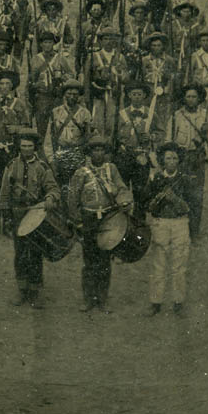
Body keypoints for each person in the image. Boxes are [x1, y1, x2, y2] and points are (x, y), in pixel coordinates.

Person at [68, 134, 133, 313]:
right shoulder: (81, 172)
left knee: (104, 260)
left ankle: (103, 299)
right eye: (94, 150)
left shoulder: (111, 169)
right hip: (88, 219)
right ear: (89, 152)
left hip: (107, 218)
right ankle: (88, 298)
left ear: (106, 152)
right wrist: (77, 222)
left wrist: (124, 200)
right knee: (89, 260)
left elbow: (121, 188)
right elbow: (72, 198)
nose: (98, 153)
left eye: (101, 150)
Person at [1, 128, 60, 308]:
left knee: (35, 253)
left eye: (30, 146)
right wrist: (6, 216)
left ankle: (34, 291)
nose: (26, 149)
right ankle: (22, 290)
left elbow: (53, 188)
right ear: (19, 147)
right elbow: (4, 193)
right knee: (20, 253)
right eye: (23, 146)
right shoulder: (11, 166)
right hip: (17, 213)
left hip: (35, 215)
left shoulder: (42, 167)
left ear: (35, 148)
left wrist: (50, 198)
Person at [144, 142, 196, 317]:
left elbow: (192, 206)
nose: (172, 161)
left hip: (180, 223)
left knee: (179, 264)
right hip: (161, 223)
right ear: (162, 161)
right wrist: (156, 200)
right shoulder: (155, 179)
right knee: (158, 264)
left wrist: (175, 200)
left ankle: (178, 302)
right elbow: (148, 204)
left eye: (175, 158)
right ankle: (156, 302)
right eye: (168, 158)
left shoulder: (186, 180)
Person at [0, 69, 30, 237]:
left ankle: (9, 226)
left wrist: (16, 129)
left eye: (7, 84)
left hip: (11, 150)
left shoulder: (19, 104)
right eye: (1, 83)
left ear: (12, 86)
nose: (4, 87)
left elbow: (27, 127)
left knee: (10, 189)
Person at [168, 83, 208, 240]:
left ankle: (194, 232)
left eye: (194, 96)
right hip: (180, 158)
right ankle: (179, 232)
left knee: (196, 195)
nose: (191, 99)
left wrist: (206, 131)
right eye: (188, 96)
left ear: (199, 98)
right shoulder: (176, 116)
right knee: (178, 192)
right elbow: (170, 139)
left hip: (197, 158)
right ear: (184, 98)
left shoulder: (205, 115)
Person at [116, 80, 161, 206]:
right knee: (123, 191)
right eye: (134, 94)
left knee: (140, 191)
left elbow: (160, 132)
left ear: (144, 96)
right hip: (125, 156)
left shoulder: (151, 114)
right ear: (129, 95)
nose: (136, 97)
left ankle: (138, 222)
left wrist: (151, 136)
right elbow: (114, 134)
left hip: (142, 157)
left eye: (139, 94)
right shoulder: (121, 114)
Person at [45, 79, 93, 194]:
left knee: (78, 190)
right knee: (61, 189)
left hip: (78, 155)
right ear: (64, 95)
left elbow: (89, 138)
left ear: (79, 96)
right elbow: (48, 139)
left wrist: (87, 161)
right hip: (60, 155)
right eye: (69, 94)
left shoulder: (85, 113)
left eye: (75, 94)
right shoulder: (55, 112)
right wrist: (51, 161)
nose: (72, 97)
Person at [28, 31, 74, 140]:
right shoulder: (35, 59)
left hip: (56, 95)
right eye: (45, 42)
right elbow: (30, 80)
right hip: (42, 96)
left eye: (50, 42)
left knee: (58, 124)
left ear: (53, 44)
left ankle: (56, 147)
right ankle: (40, 149)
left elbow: (70, 74)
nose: (47, 45)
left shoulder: (60, 58)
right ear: (41, 44)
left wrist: (63, 77)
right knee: (41, 125)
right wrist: (36, 85)